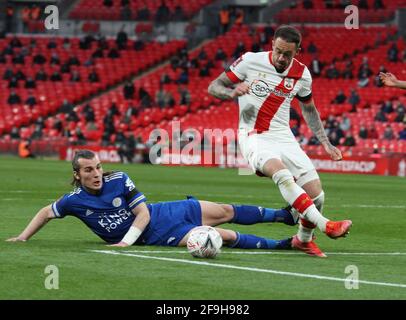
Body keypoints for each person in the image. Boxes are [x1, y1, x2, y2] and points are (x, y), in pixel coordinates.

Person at [208, 25, 352, 257]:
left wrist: (326, 142)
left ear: (298, 52)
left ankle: (303, 241)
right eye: (278, 51)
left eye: (288, 54)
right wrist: (231, 93)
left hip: (283, 136)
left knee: (316, 194)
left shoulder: (302, 74)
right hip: (254, 135)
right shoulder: (249, 61)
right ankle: (327, 225)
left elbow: (309, 109)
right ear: (272, 45)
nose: (281, 57)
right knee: (280, 172)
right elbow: (214, 86)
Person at [7, 150, 296, 252]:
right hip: (160, 235)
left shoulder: (118, 178)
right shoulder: (73, 201)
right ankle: (284, 245)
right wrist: (23, 237)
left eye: (97, 167)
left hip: (163, 213)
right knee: (222, 235)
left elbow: (142, 214)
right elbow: (46, 212)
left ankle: (285, 216)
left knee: (224, 210)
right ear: (77, 174)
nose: (96, 174)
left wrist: (124, 242)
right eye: (88, 170)